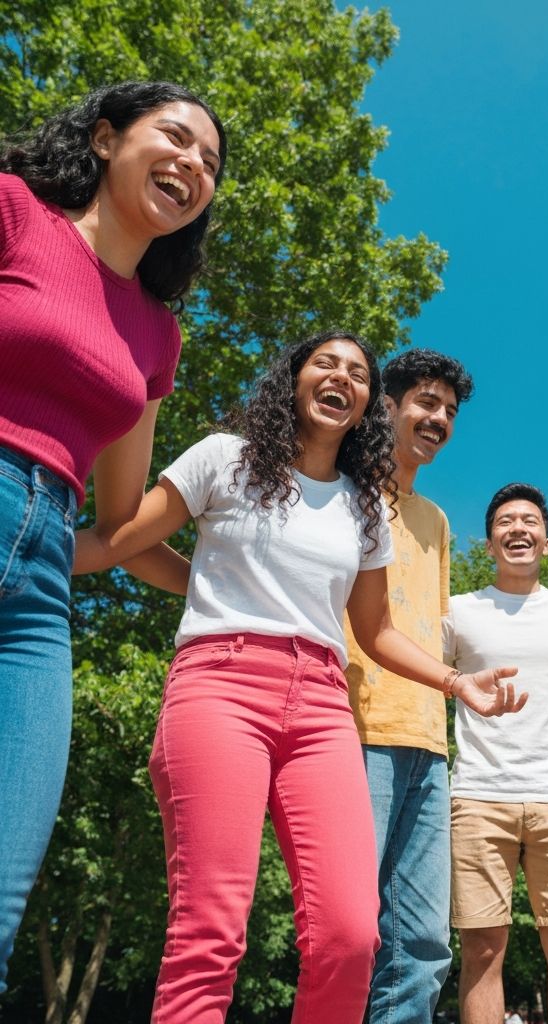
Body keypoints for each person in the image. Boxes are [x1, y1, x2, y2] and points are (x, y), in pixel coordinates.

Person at [73, 331, 526, 1023]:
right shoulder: (224, 458)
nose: (342, 376)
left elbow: (375, 630)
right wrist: (38, 553)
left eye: (358, 373)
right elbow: (119, 541)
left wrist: (456, 683)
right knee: (211, 928)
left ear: (367, 404)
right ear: (294, 379)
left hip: (322, 704)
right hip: (221, 685)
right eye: (325, 363)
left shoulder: (365, 505)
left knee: (351, 934)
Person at [0, 80, 227, 988]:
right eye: (175, 137)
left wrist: (241, 586)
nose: (193, 165)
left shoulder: (156, 334)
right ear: (103, 139)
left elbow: (121, 525)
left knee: (4, 891)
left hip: (40, 591)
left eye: (209, 163)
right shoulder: (14, 212)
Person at [341, 348, 472, 1024]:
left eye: (448, 410)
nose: (439, 417)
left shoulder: (438, 521)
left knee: (423, 945)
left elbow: (434, 629)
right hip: (351, 731)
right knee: (346, 929)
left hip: (430, 742)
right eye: (425, 401)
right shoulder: (341, 488)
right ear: (386, 405)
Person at [445, 484, 548, 1024]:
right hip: (478, 797)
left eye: (529, 521)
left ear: (547, 542)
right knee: (483, 949)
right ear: (489, 544)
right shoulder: (458, 611)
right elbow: (429, 677)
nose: (518, 529)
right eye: (505, 522)